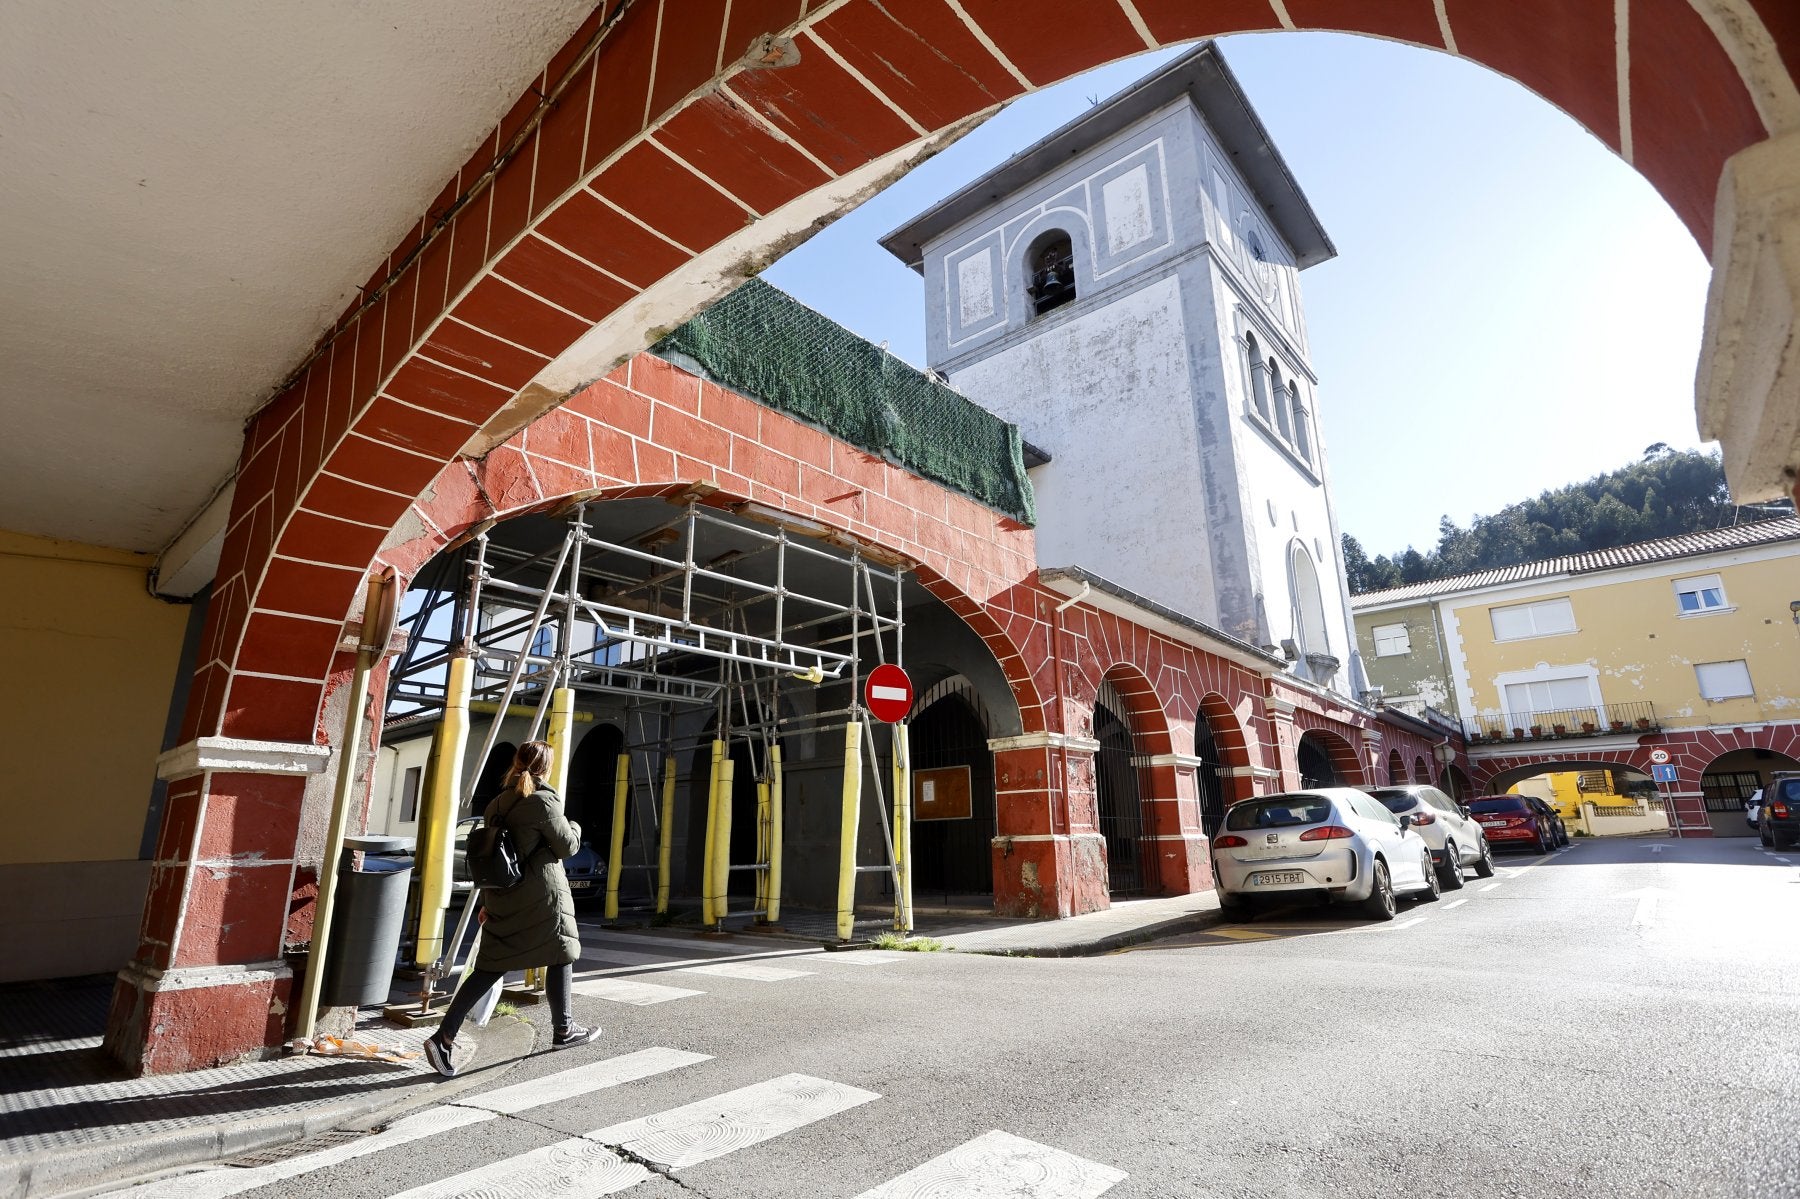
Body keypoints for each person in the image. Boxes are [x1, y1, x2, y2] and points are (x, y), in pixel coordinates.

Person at [425, 740, 600, 1077]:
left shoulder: (497, 804)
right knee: (561, 951)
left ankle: (444, 1037)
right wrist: (576, 826)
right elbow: (566, 846)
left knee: (490, 967)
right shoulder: (543, 801)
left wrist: (488, 903)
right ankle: (564, 1030)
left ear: (516, 763)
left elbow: (493, 857)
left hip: (503, 896)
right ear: (546, 768)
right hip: (540, 895)